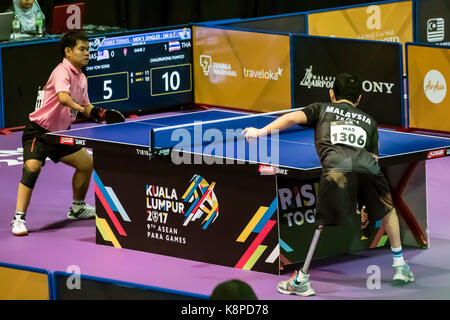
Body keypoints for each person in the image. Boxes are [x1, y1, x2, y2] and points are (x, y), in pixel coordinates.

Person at [242, 73, 415, 296]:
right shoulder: (369, 121)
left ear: (332, 94)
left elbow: (292, 118)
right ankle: (400, 265)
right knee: (388, 208)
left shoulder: (321, 108)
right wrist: (366, 203)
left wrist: (260, 132)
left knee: (321, 222)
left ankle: (302, 279)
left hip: (336, 171)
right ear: (359, 99)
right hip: (370, 169)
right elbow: (373, 159)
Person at [11, 31, 108, 236]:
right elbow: (64, 98)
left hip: (60, 134)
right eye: (82, 49)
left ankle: (78, 208)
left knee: (86, 163)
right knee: (32, 168)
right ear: (68, 51)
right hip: (38, 132)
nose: (87, 54)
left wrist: (99, 113)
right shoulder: (62, 71)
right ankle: (18, 218)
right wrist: (83, 110)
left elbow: (86, 106)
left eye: (88, 50)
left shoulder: (81, 77)